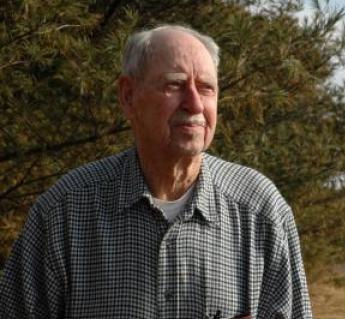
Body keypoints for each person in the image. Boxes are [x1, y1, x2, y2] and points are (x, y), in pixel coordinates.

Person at [0, 24, 312, 319]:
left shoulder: (260, 209)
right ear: (128, 95)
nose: (194, 104)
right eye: (175, 84)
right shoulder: (66, 212)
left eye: (206, 89)